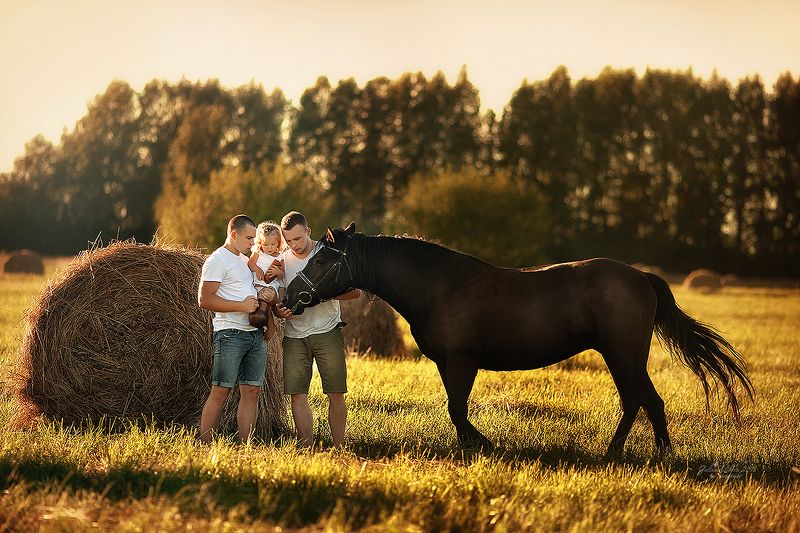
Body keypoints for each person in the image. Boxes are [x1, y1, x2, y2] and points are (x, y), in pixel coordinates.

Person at [270, 211, 360, 448]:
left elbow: (355, 292)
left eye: (298, 239)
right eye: (288, 240)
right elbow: (279, 299)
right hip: (294, 336)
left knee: (335, 393)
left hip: (327, 331)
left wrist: (320, 295)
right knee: (298, 394)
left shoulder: (327, 253)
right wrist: (279, 312)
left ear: (308, 232)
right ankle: (306, 448)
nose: (294, 245)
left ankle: (340, 448)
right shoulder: (282, 261)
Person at [197, 214, 278, 444]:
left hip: (255, 336)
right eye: (249, 238)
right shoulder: (217, 260)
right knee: (220, 391)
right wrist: (240, 306)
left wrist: (268, 313)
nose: (253, 243)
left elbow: (255, 295)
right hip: (230, 334)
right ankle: (205, 447)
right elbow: (204, 299)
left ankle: (246, 447)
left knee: (252, 392)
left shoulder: (245, 261)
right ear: (233, 234)